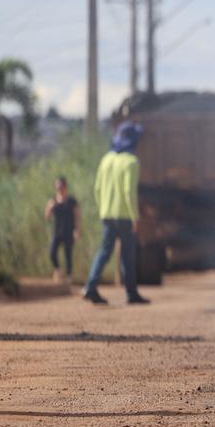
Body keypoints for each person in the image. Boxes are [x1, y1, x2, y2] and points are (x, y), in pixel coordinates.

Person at [82, 122, 149, 305]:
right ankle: (131, 293)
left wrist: (103, 208)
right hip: (125, 216)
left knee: (104, 251)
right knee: (128, 254)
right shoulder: (131, 162)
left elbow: (97, 188)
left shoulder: (106, 159)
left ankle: (91, 286)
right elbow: (129, 192)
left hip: (107, 214)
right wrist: (135, 216)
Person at [45, 176, 81, 284]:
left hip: (69, 231)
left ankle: (69, 277)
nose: (58, 188)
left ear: (65, 186)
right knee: (52, 252)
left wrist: (77, 230)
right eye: (56, 186)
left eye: (60, 185)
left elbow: (77, 216)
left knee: (67, 254)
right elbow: (47, 216)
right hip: (57, 231)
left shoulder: (71, 201)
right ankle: (58, 270)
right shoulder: (53, 200)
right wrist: (50, 208)